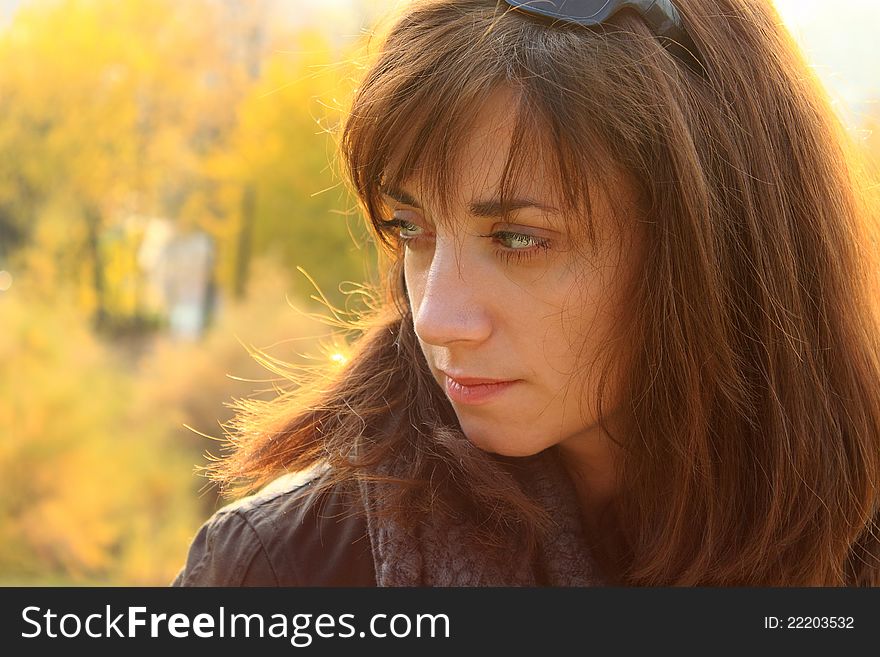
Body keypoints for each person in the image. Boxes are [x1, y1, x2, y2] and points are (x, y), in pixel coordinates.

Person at [172, 0, 880, 587]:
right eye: (411, 229)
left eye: (518, 238)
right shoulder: (285, 573)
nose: (436, 318)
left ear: (713, 248)